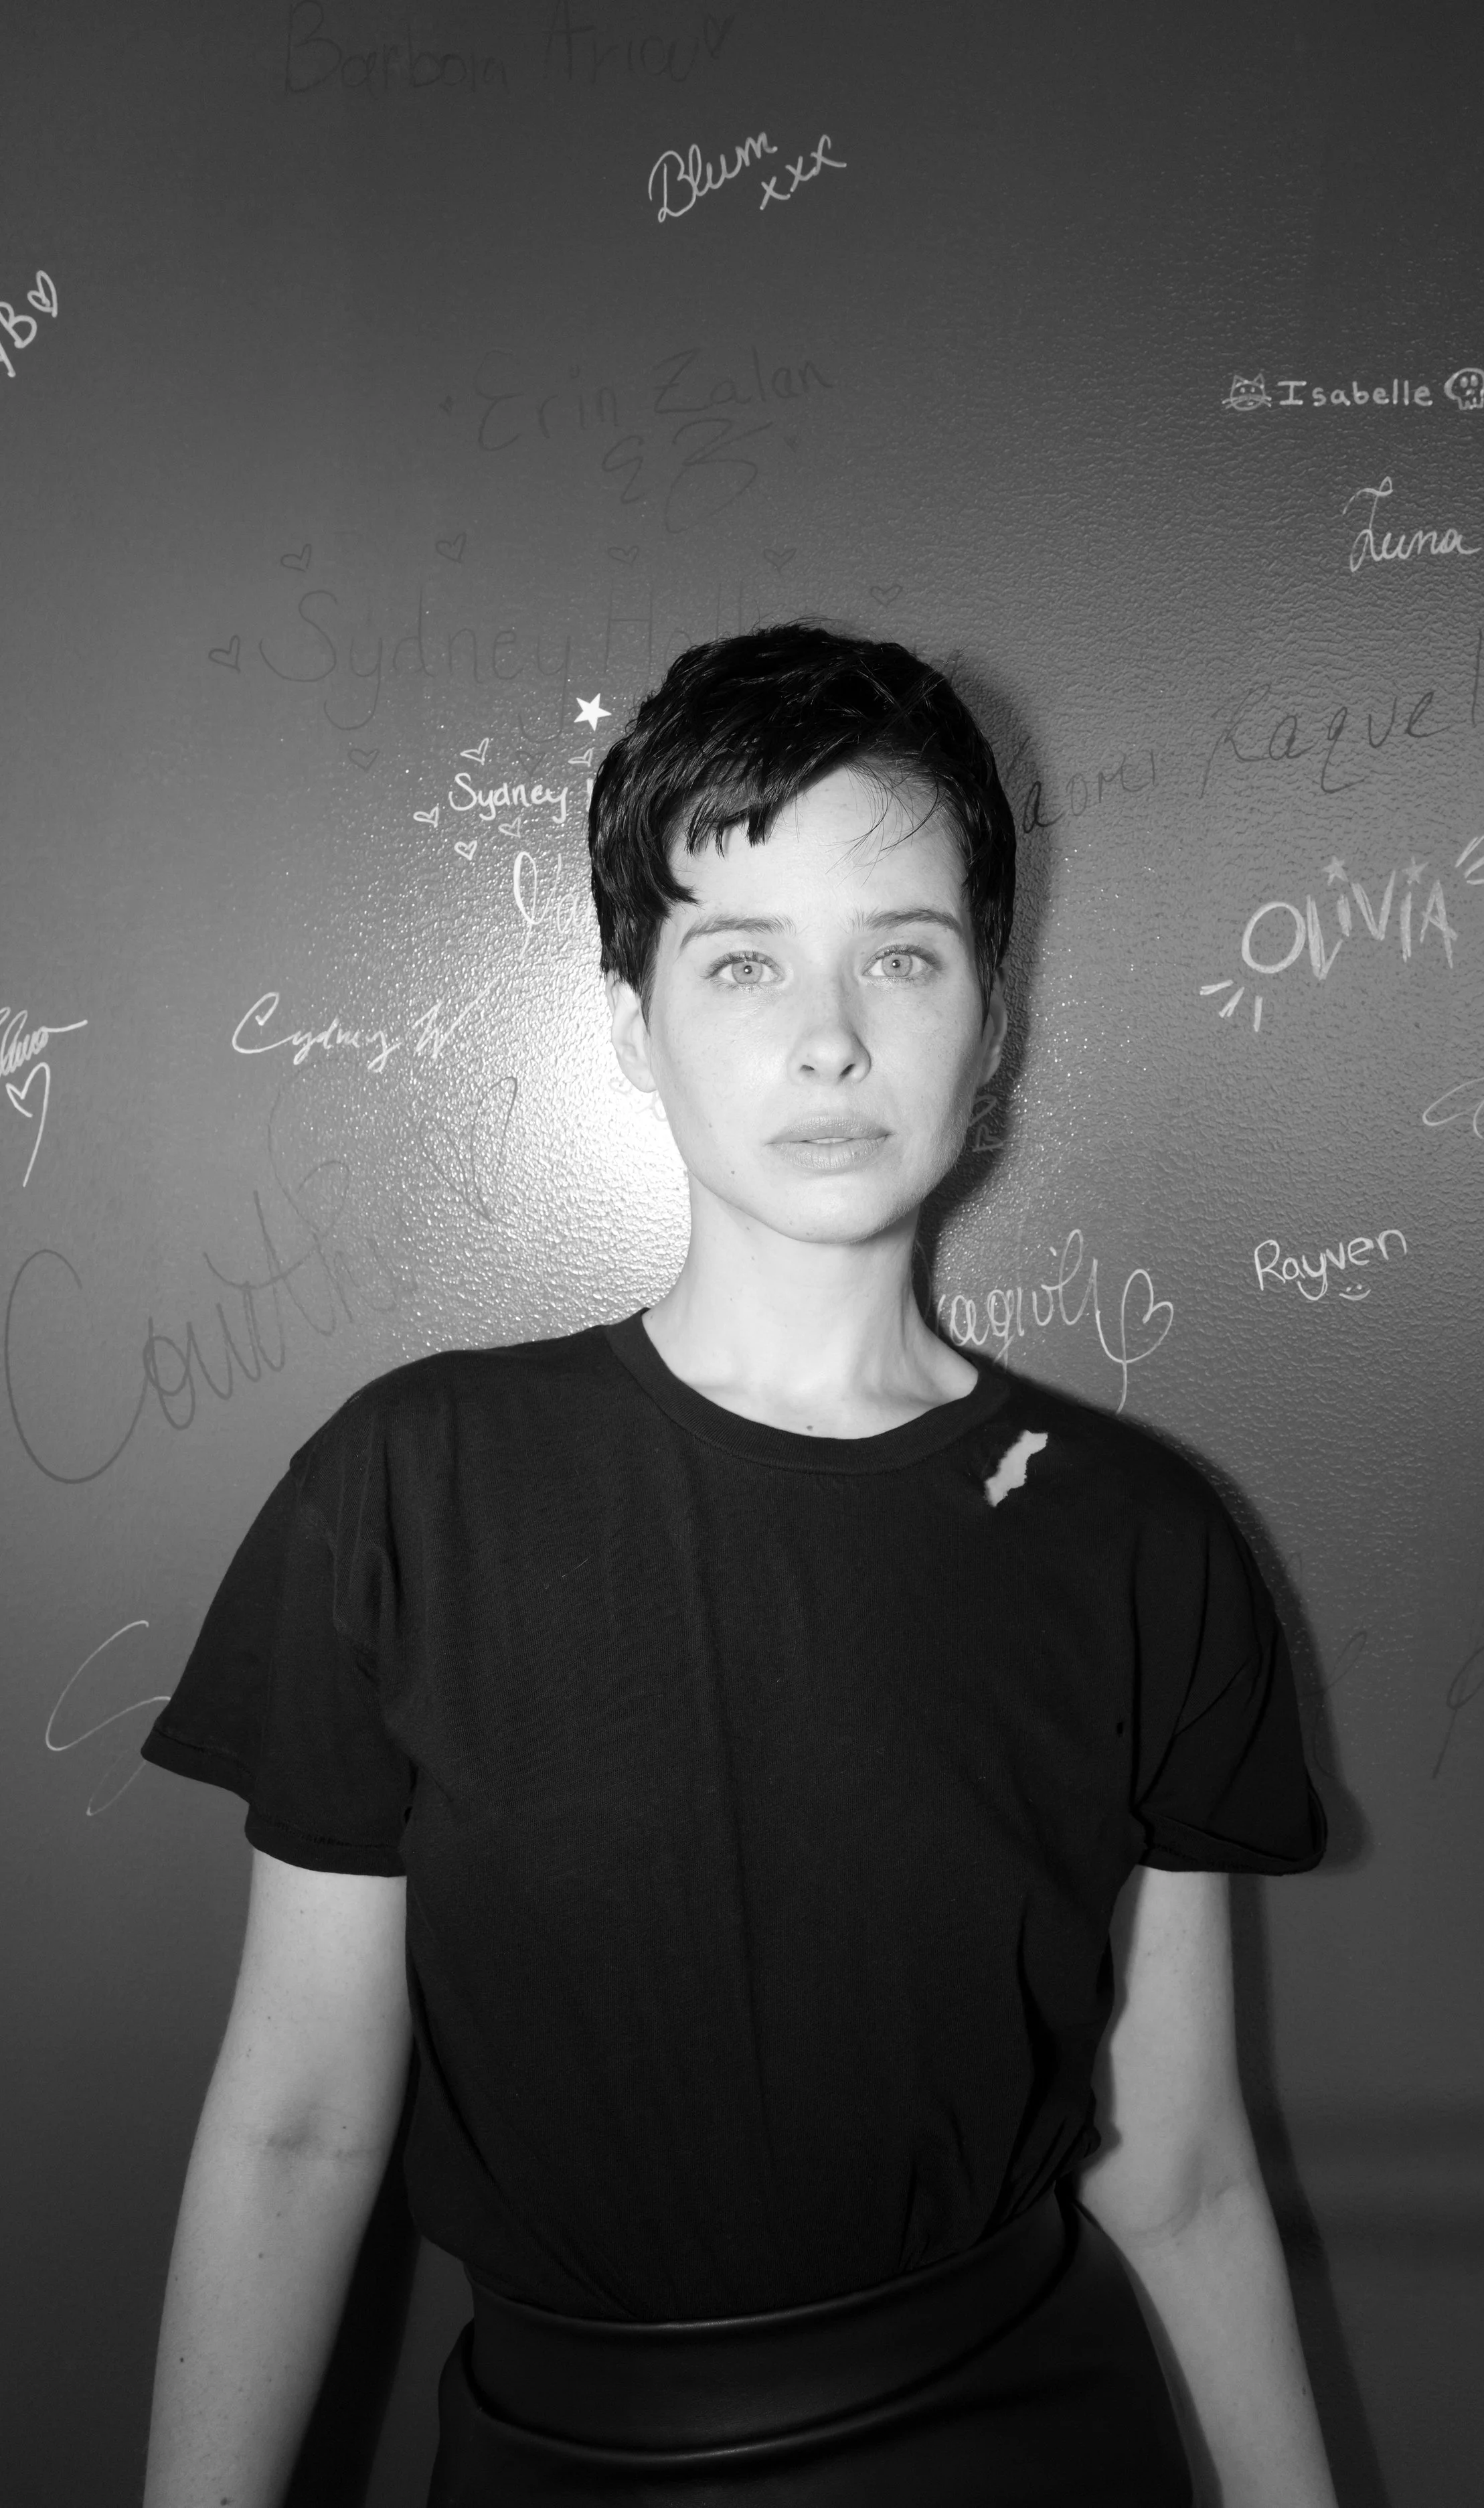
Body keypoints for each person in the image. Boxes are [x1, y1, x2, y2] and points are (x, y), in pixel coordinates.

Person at [139, 623, 1337, 2507]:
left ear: (994, 1020)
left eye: (904, 956)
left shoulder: (1142, 1537)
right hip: (566, 2455)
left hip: (1031, 2439)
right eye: (744, 958)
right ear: (634, 1023)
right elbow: (296, 2128)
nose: (830, 1035)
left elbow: (1177, 2171)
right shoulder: (413, 1488)